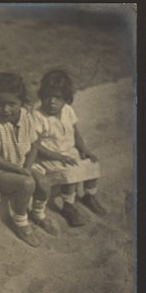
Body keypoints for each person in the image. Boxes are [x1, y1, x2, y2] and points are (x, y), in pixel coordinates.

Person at [0, 72, 58, 248]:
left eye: (11, 104)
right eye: (0, 104)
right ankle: (20, 221)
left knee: (43, 183)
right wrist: (20, 171)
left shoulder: (26, 116)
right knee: (27, 184)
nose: (5, 109)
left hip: (19, 166)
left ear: (22, 102)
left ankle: (38, 214)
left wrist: (26, 167)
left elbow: (34, 145)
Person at [32, 69, 106, 227]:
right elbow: (35, 145)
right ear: (42, 95)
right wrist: (59, 157)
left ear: (66, 99)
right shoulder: (38, 116)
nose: (52, 101)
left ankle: (89, 196)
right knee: (70, 171)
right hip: (49, 156)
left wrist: (84, 150)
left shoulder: (68, 111)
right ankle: (68, 206)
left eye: (58, 97)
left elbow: (76, 133)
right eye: (48, 96)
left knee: (92, 163)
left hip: (69, 152)